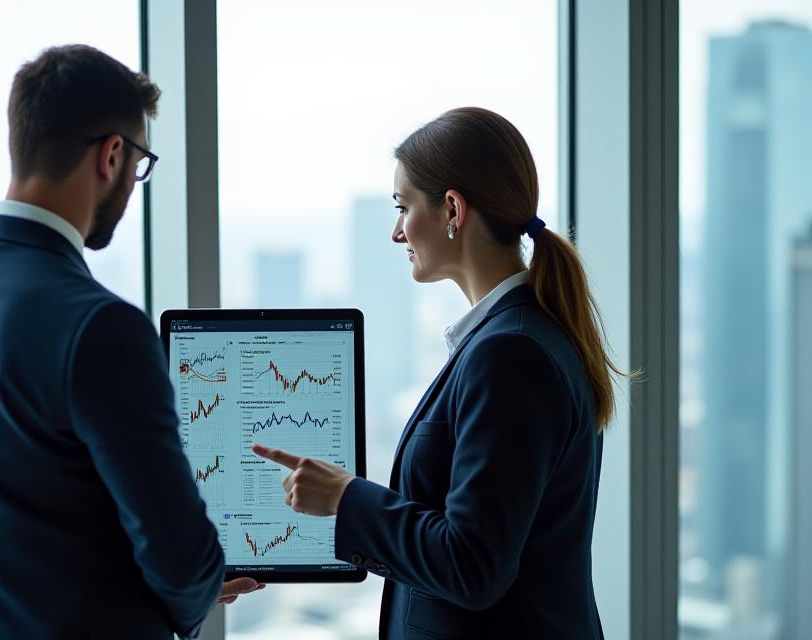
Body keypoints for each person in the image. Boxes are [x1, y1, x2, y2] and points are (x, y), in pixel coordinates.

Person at [0, 45, 259, 640]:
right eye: (139, 165)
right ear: (112, 155)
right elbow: (177, 556)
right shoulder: (101, 327)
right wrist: (195, 588)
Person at [253, 107, 624, 638]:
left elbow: (473, 565)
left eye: (403, 208)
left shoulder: (510, 354)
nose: (397, 233)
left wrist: (345, 497)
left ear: (452, 208)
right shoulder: (514, 337)